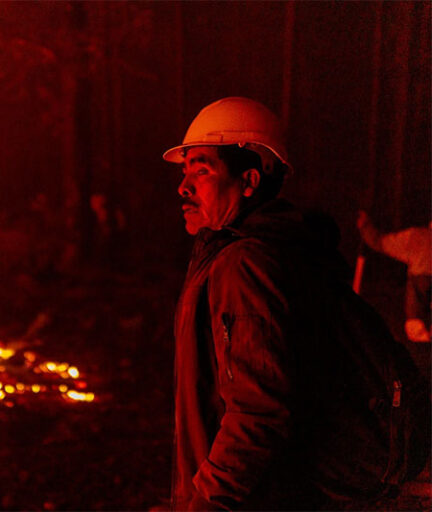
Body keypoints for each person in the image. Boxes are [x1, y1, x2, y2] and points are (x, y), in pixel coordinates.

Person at [162, 97, 424, 511]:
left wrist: (207, 501)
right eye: (184, 170)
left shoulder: (246, 261)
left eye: (202, 168)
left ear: (248, 181)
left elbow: (257, 409)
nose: (184, 185)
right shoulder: (286, 251)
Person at [356, 211, 431, 343]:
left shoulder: (417, 237)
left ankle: (419, 332)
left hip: (419, 281)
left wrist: (365, 226)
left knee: (415, 310)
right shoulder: (418, 237)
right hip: (420, 282)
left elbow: (381, 243)